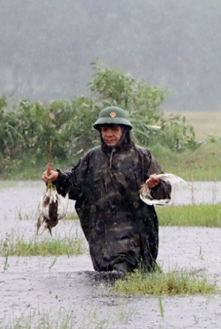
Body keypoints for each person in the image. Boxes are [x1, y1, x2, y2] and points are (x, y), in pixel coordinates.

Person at [41, 106, 171, 273]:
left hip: (136, 232)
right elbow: (75, 187)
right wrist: (57, 178)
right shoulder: (92, 158)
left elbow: (165, 194)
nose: (109, 134)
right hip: (100, 234)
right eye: (105, 130)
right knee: (106, 276)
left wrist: (155, 185)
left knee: (125, 271)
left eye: (114, 129)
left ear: (124, 131)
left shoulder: (142, 157)